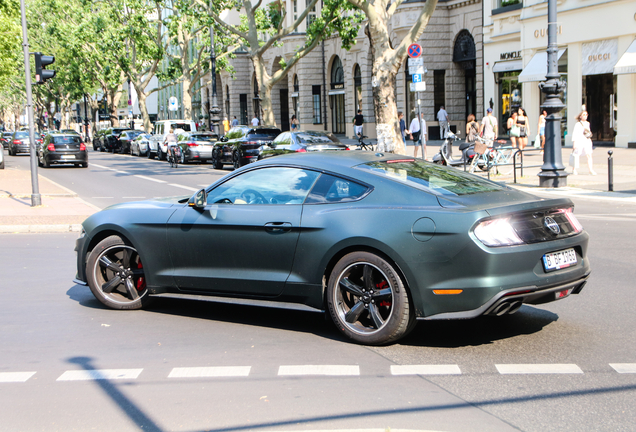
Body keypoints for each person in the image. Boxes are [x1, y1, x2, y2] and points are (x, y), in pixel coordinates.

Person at [570, 110, 596, 175]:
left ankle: (591, 170)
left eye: (586, 115)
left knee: (589, 155)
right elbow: (575, 134)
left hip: (587, 141)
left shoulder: (587, 123)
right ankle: (574, 169)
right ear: (580, 116)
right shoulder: (578, 124)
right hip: (580, 141)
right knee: (577, 155)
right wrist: (574, 143)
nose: (585, 116)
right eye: (584, 115)